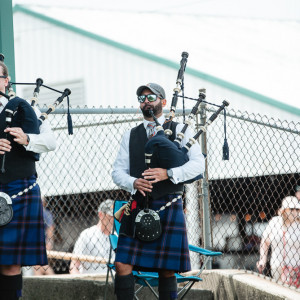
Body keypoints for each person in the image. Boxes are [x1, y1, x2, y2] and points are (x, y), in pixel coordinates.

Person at [112, 83, 205, 300]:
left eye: (151, 97)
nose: (146, 102)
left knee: (167, 268)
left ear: (163, 101)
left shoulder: (182, 130)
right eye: (142, 98)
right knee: (122, 262)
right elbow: (117, 172)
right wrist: (133, 182)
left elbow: (198, 165)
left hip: (169, 204)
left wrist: (169, 173)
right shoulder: (131, 135)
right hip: (138, 204)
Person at [0, 60, 56, 299]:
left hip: (20, 190)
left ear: (6, 81)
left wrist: (27, 139)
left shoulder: (24, 109)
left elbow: (51, 142)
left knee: (11, 263)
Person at [257, 196, 300, 288]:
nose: (295, 212)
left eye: (297, 209)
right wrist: (263, 260)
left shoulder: (299, 225)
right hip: (278, 267)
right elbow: (265, 242)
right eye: (291, 209)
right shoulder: (275, 222)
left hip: (297, 268)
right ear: (284, 210)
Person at [69, 199, 114, 275]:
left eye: (115, 216)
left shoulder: (117, 236)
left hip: (113, 282)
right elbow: (73, 267)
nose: (113, 219)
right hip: (91, 282)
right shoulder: (87, 234)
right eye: (110, 216)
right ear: (101, 215)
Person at [33, 197, 55, 275]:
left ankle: (53, 280)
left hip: (41, 243)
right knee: (39, 265)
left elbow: (50, 229)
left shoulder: (45, 213)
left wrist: (49, 242)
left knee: (39, 265)